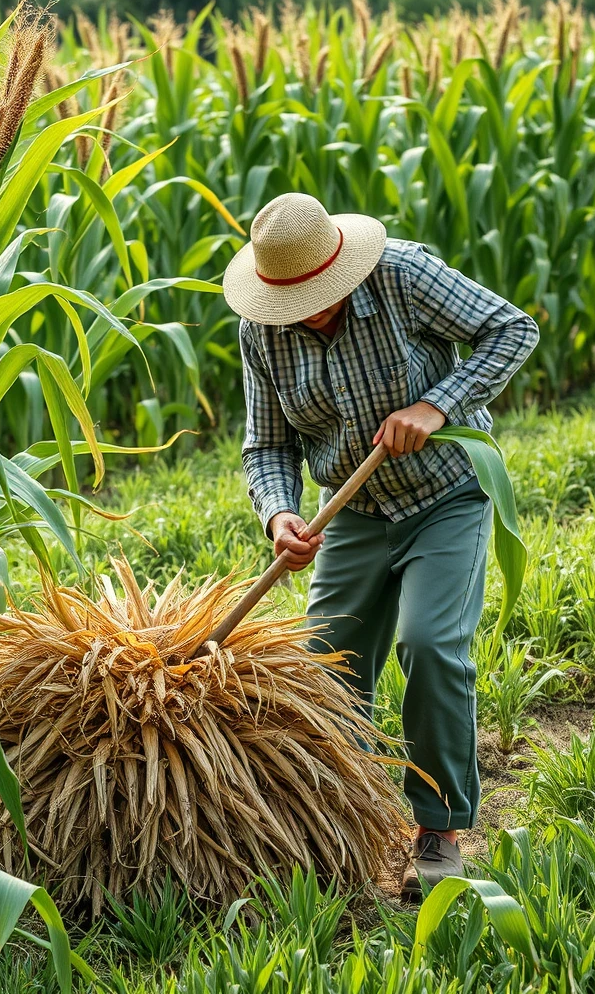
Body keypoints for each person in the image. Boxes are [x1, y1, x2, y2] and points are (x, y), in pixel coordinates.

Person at [221, 192, 539, 896]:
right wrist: (280, 517)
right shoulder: (262, 332)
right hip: (353, 513)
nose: (306, 310)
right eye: (291, 301)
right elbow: (266, 444)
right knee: (325, 671)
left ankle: (439, 827)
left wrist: (436, 405)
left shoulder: (402, 276)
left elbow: (511, 330)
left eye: (316, 295)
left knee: (428, 645)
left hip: (445, 496)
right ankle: (346, 821)